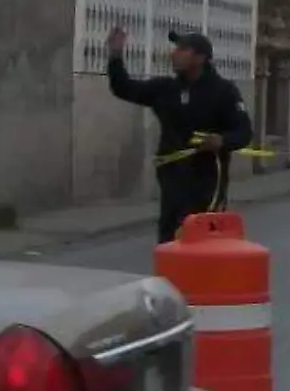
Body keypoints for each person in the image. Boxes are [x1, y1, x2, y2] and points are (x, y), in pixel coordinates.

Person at [106, 27, 253, 243]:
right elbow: (124, 88)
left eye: (183, 49)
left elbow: (244, 132)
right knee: (169, 243)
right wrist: (116, 57)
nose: (174, 53)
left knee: (202, 248)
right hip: (172, 184)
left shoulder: (223, 91)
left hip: (207, 186)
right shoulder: (166, 89)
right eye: (176, 48)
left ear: (200, 58)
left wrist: (222, 141)